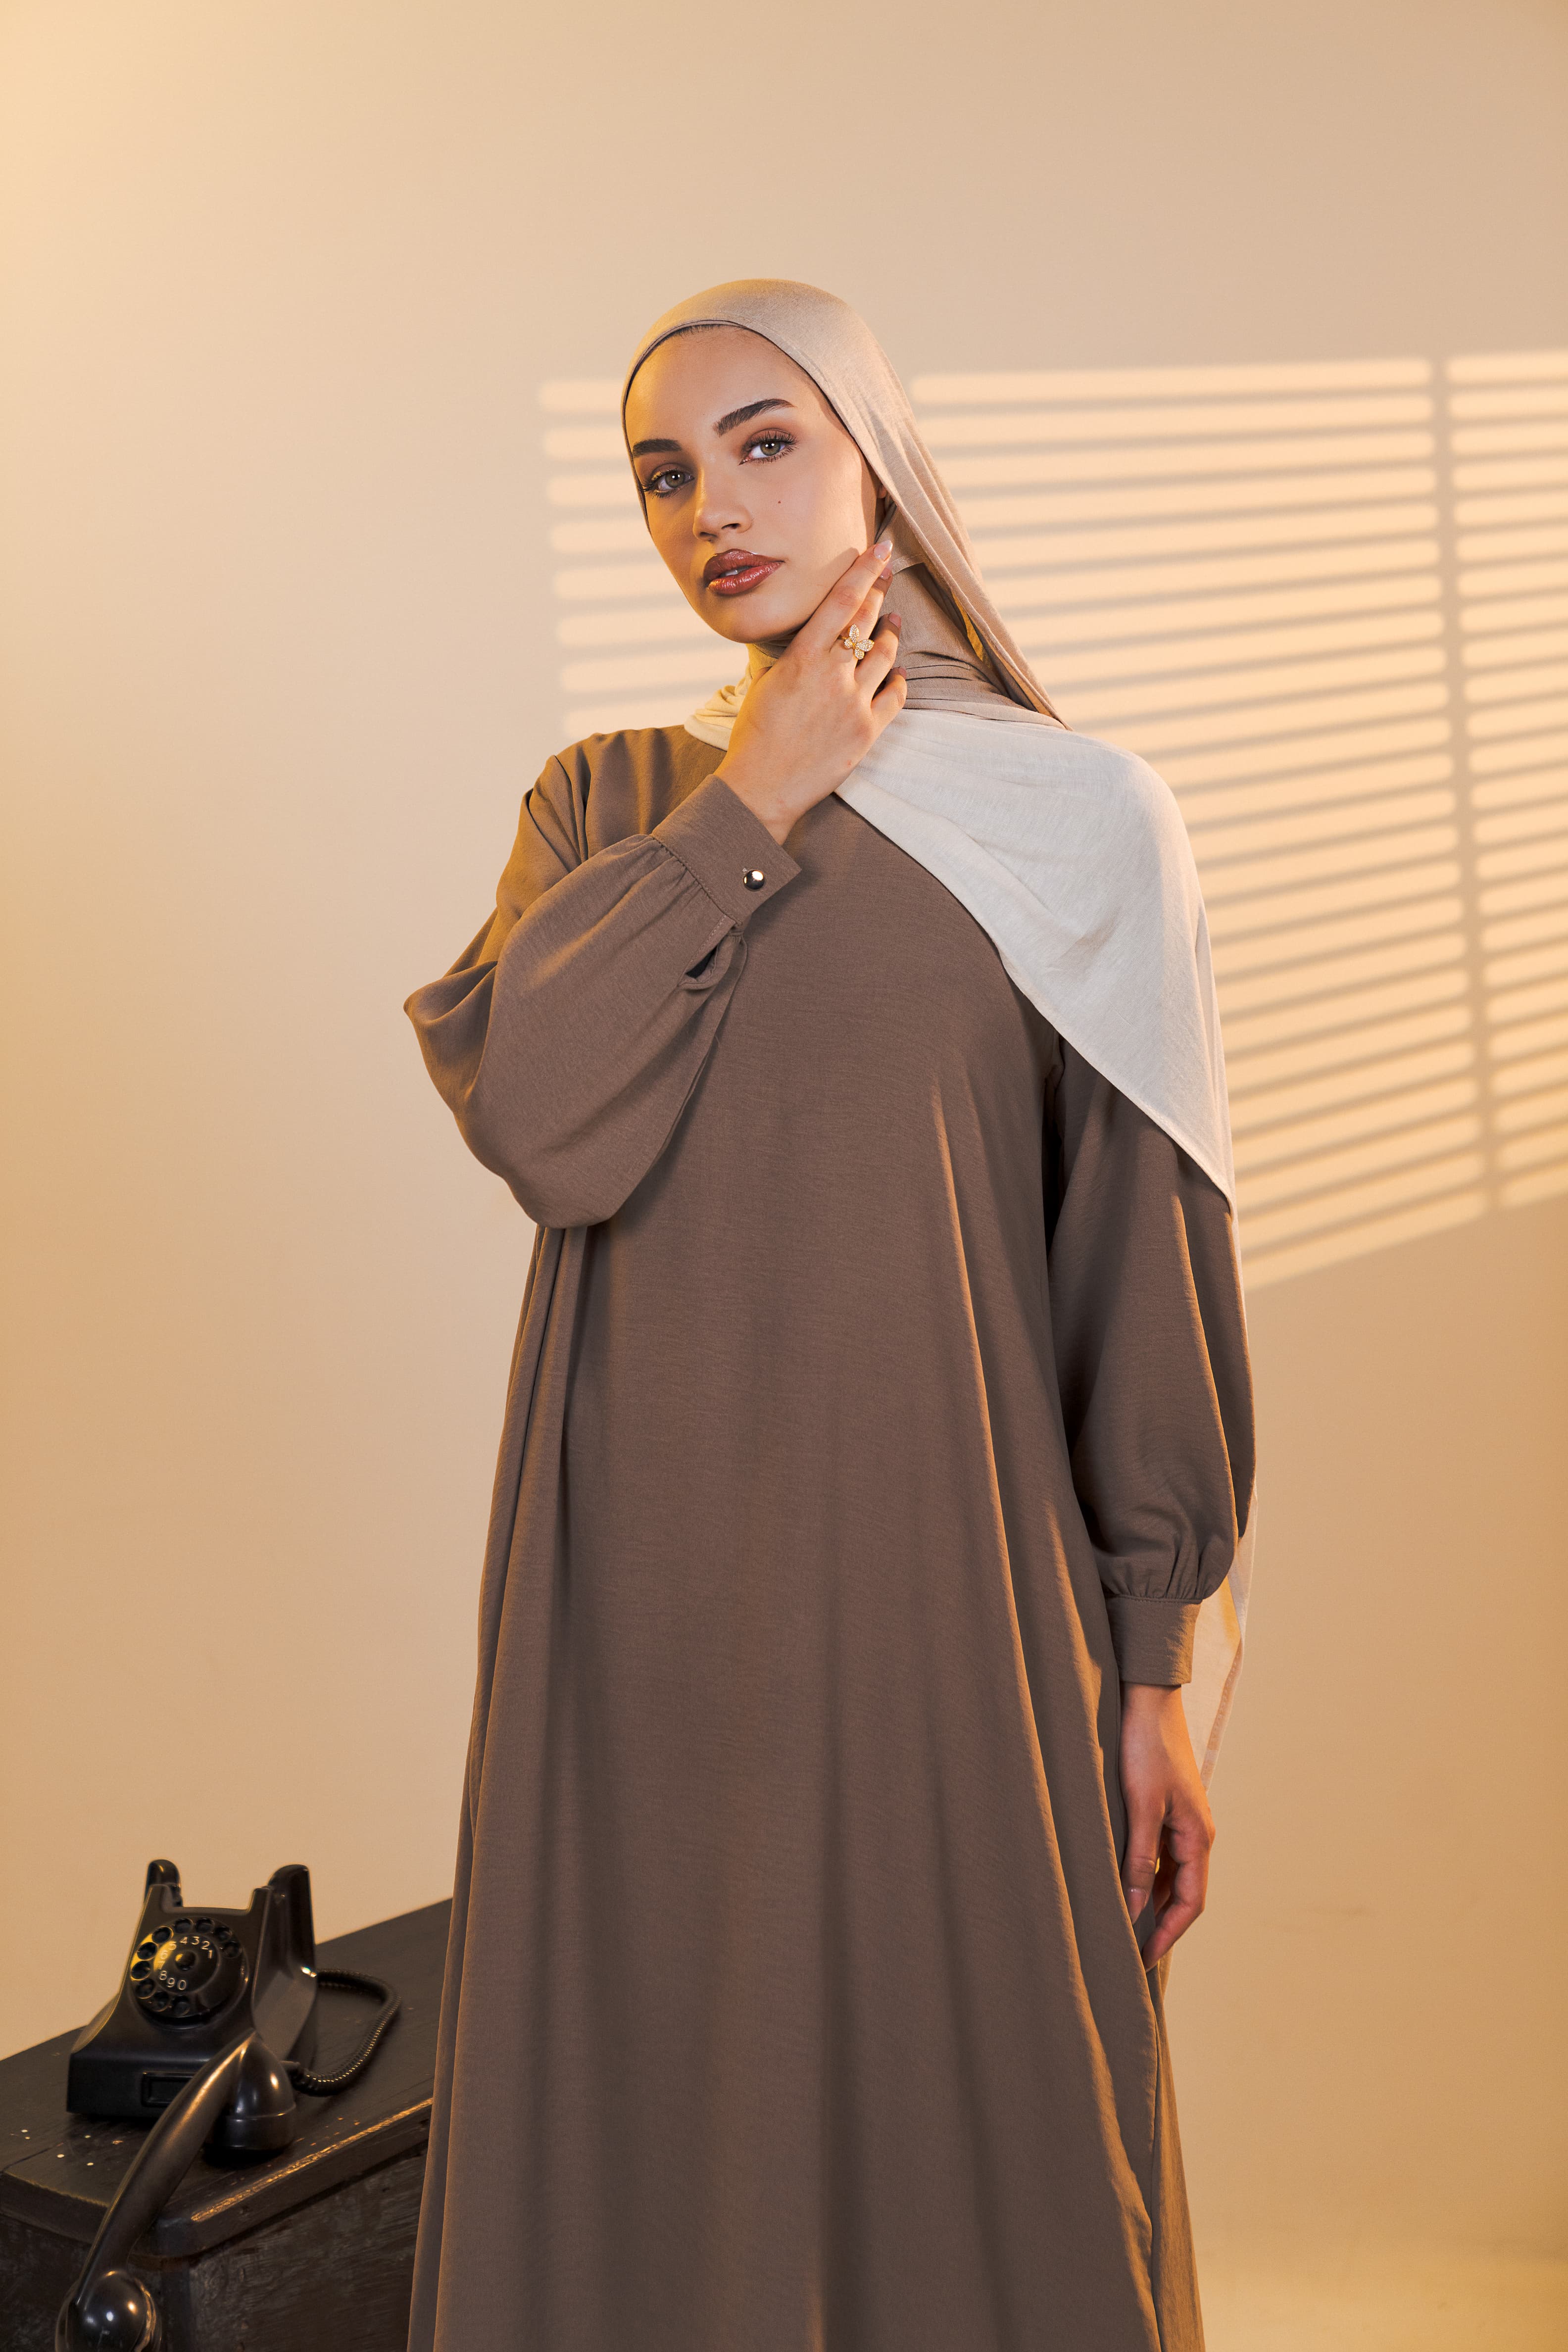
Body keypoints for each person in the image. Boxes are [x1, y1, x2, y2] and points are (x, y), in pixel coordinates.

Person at [404, 279, 1255, 2352]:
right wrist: (752, 803)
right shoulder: (609, 807)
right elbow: (539, 1120)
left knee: (992, 2134)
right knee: (657, 2120)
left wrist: (1156, 1661)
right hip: (635, 1619)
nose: (713, 508)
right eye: (661, 474)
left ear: (879, 458)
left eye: (766, 442)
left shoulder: (1083, 820)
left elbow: (1138, 1260)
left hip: (953, 1604)